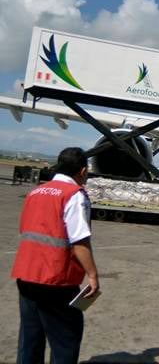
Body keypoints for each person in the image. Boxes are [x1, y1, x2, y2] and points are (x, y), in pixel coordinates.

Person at [11, 147, 100, 364]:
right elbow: (79, 241)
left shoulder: (36, 192)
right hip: (56, 279)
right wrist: (93, 275)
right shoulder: (74, 195)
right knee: (65, 339)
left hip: (27, 275)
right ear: (82, 171)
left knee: (30, 340)